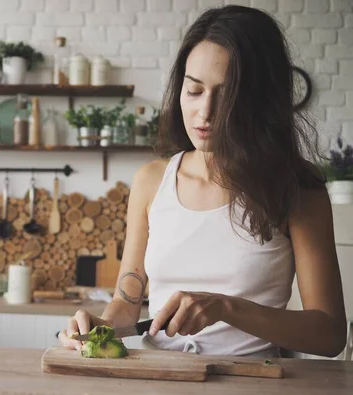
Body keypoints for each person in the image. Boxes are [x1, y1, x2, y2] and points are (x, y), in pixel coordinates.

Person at [58, 5, 347, 358]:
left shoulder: (298, 189)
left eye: (227, 96)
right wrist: (98, 328)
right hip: (160, 385)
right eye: (194, 91)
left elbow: (330, 334)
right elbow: (126, 303)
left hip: (253, 390)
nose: (206, 113)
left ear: (260, 101)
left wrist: (226, 308)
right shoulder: (151, 182)